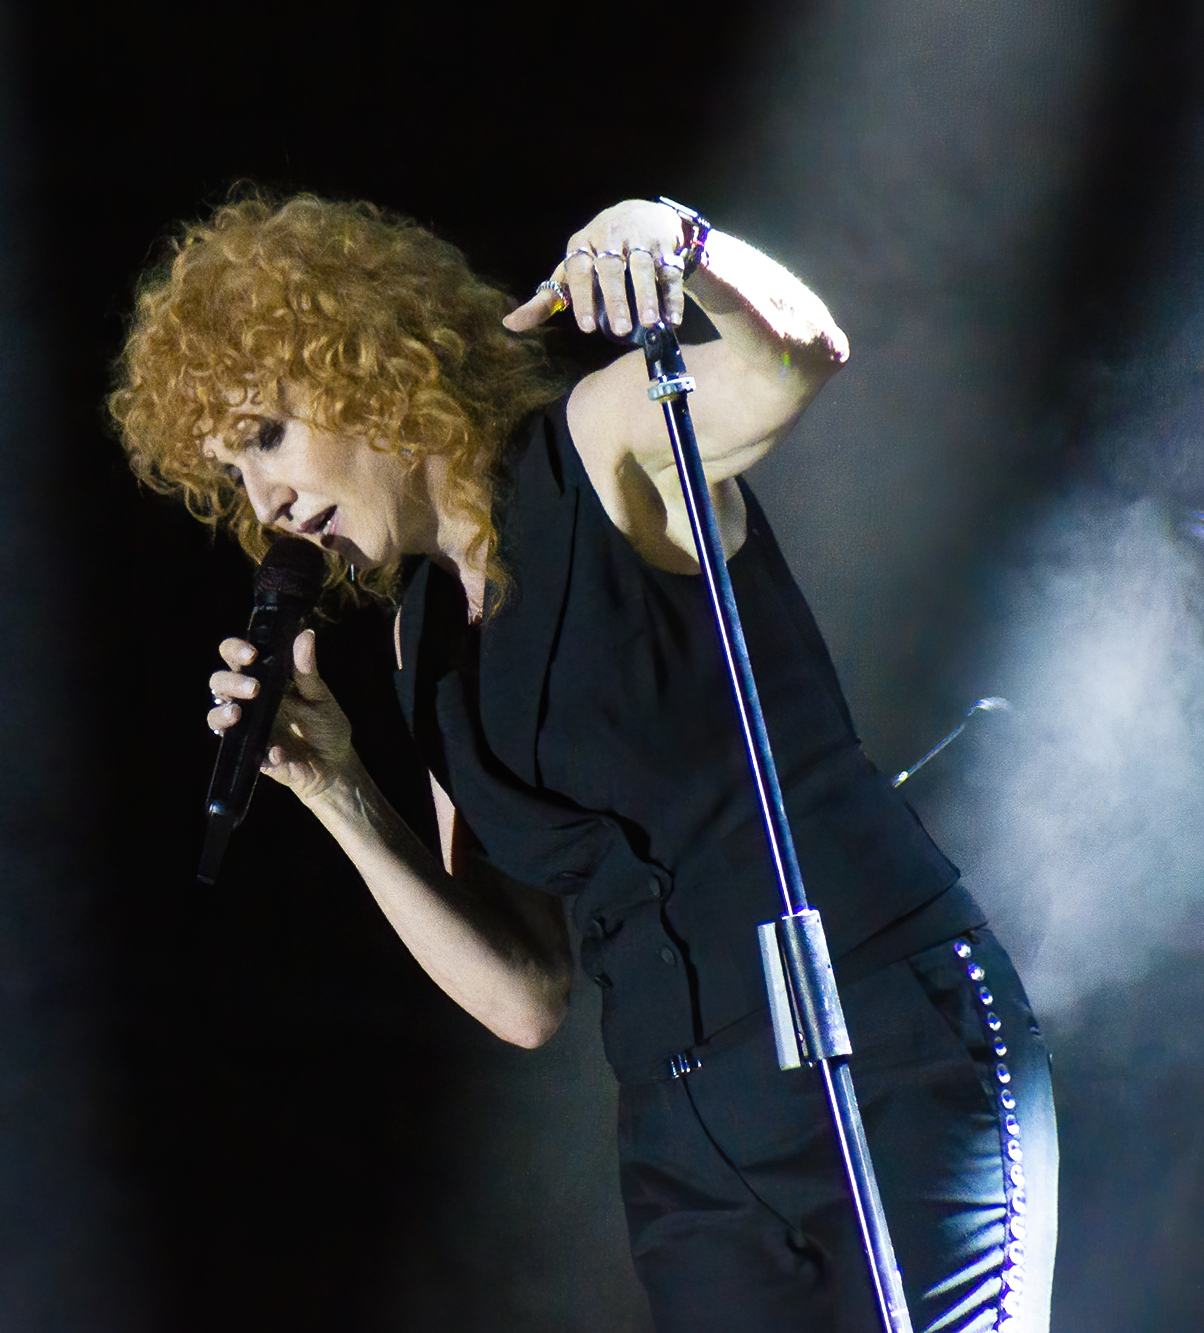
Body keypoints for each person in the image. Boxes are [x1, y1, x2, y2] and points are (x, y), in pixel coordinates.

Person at [110, 193, 1057, 1332]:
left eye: (266, 436)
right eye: (233, 474)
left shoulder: (598, 443)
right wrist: (336, 788)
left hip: (878, 1037)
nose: (264, 505)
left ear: (362, 365)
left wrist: (684, 245)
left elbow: (798, 358)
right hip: (686, 1145)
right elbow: (524, 993)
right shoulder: (422, 640)